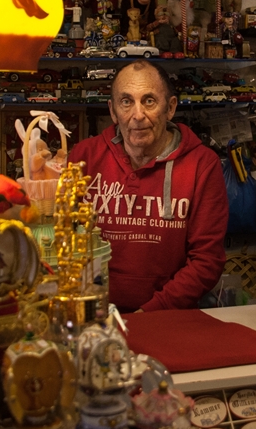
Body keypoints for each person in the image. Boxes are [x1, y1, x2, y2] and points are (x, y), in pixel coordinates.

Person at [68, 60, 228, 313]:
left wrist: (150, 313)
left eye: (149, 101)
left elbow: (207, 260)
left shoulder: (202, 164)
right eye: (126, 101)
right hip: (93, 312)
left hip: (167, 316)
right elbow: (62, 240)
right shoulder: (83, 157)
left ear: (170, 108)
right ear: (113, 111)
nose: (138, 115)